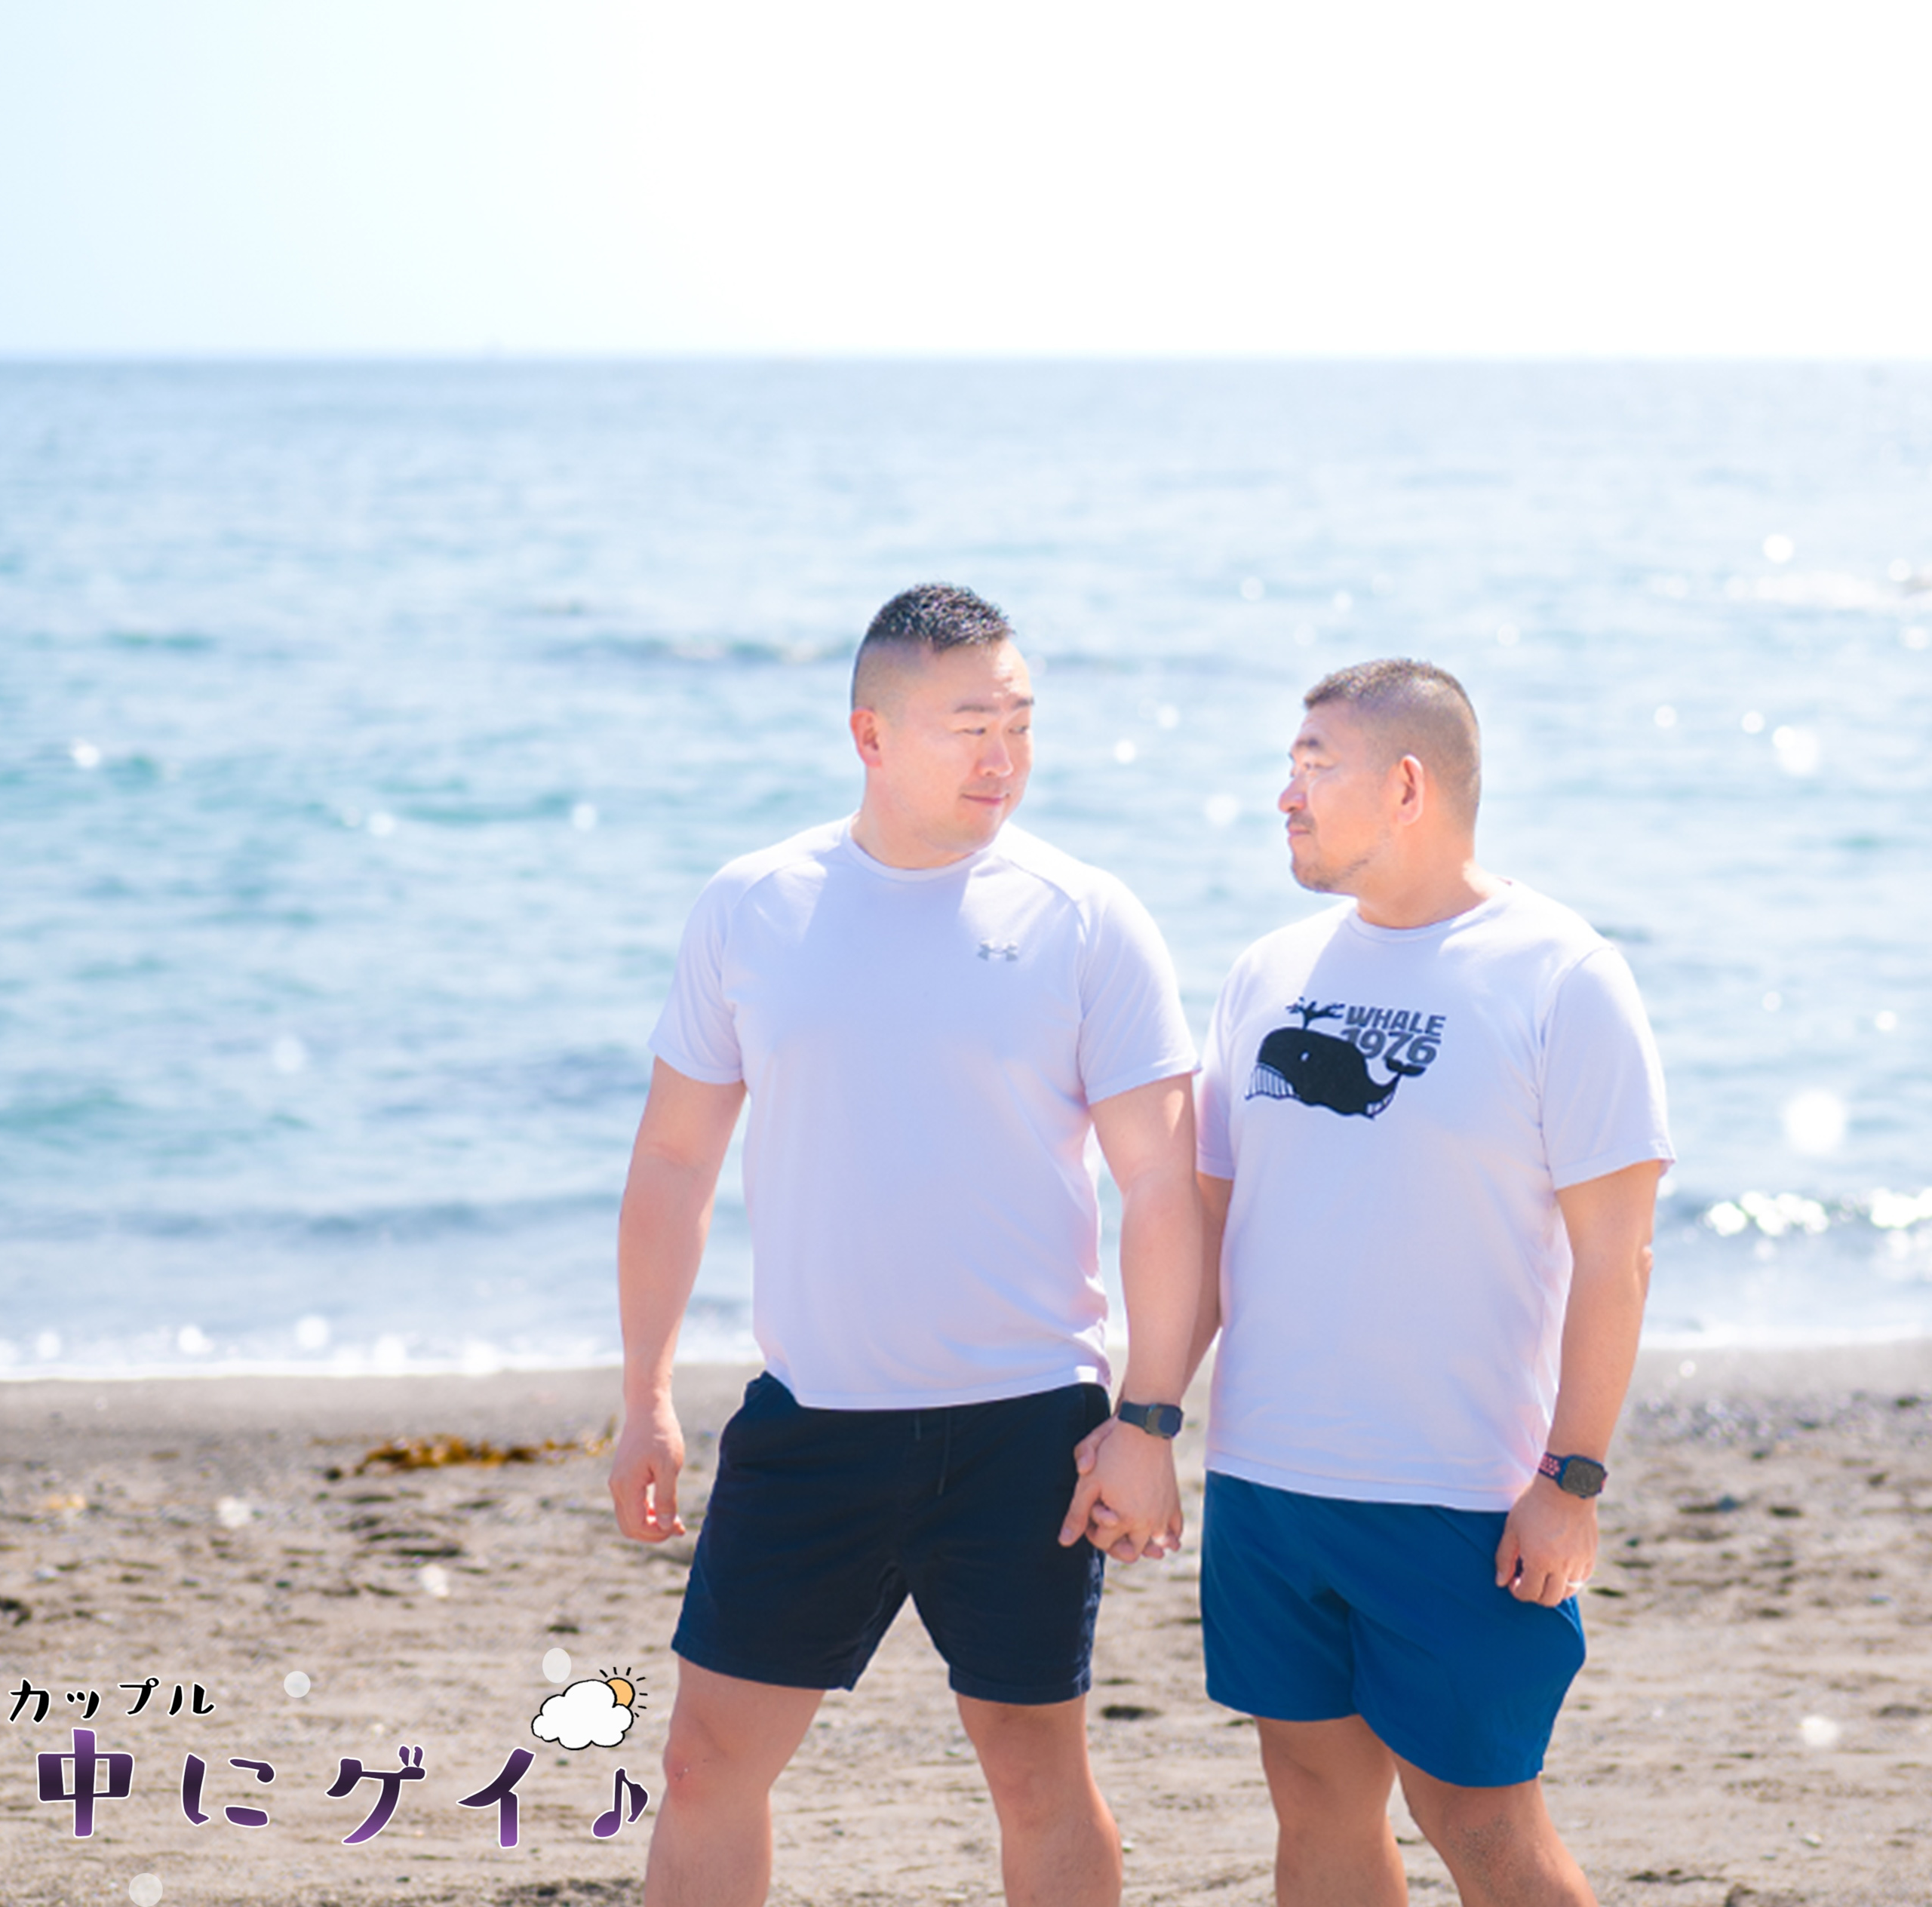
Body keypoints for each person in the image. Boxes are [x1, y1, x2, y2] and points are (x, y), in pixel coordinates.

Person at [607, 582, 1203, 1907]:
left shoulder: (1086, 914)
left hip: (1026, 1429)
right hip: (814, 1421)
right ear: (869, 735)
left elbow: (1163, 1184)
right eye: (970, 726)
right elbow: (673, 1159)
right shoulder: (754, 905)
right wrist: (645, 1393)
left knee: (1037, 1776)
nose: (1005, 756)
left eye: (1021, 723)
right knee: (704, 1767)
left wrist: (1151, 1420)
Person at [1103, 658, 1669, 1907]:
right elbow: (1211, 1225)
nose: (1286, 795)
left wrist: (1572, 1479)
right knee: (1313, 1802)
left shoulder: (1563, 975)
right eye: (1289, 765)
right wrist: (1147, 1419)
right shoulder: (1268, 971)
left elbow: (1616, 1257)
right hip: (1269, 1484)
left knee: (1481, 1823)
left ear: (1409, 787)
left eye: (1317, 767)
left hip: (1458, 1493)